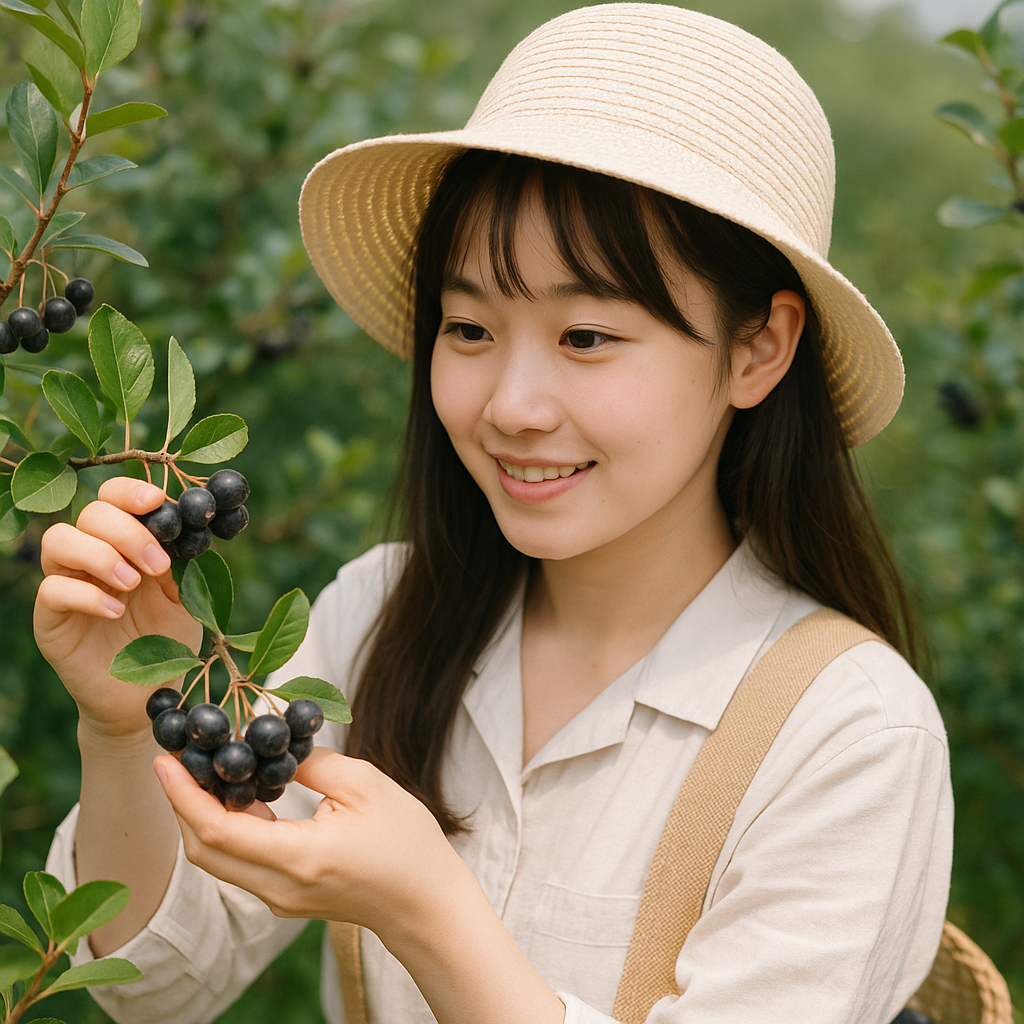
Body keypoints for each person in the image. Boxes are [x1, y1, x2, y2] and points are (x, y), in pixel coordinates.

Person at [36, 5, 953, 1023]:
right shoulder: (384, 613)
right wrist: (120, 725)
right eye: (469, 326)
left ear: (757, 349)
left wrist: (425, 910)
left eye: (586, 337)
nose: (512, 405)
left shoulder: (846, 733)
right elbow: (156, 987)